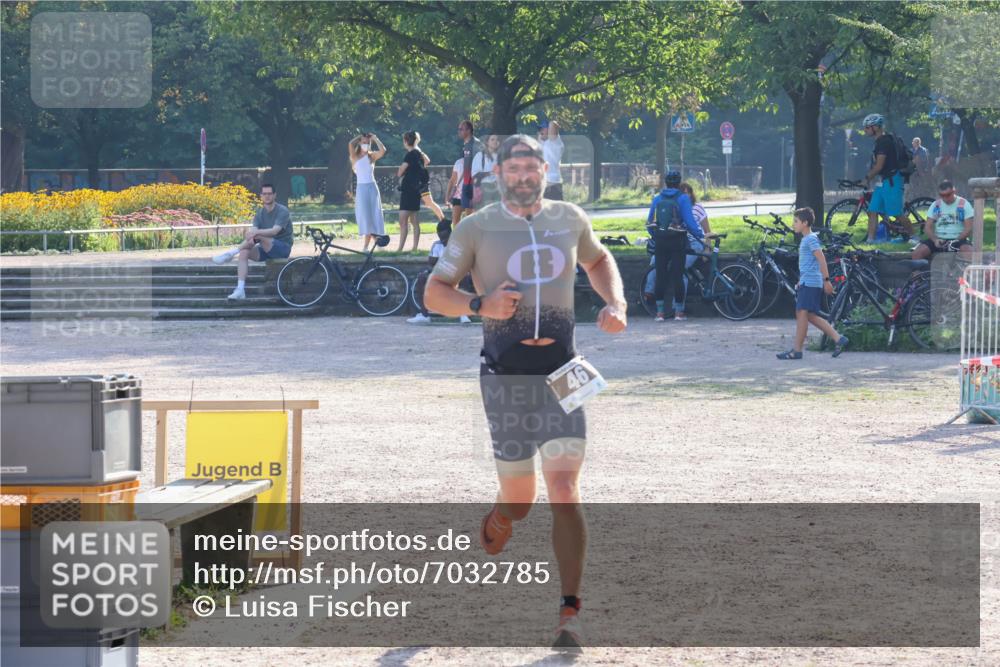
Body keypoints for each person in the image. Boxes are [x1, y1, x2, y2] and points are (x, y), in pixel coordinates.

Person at [423, 134, 627, 652]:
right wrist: (480, 306)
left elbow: (599, 261)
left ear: (544, 170)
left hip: (565, 370)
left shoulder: (570, 218)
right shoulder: (475, 226)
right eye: (513, 168)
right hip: (506, 373)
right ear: (497, 173)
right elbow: (434, 293)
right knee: (522, 499)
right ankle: (501, 513)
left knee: (564, 489)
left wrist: (616, 304)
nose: (522, 176)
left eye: (531, 167)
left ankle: (570, 610)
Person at [776, 207, 849, 360]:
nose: (793, 224)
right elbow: (809, 264)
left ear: (805, 222)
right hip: (807, 282)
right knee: (810, 315)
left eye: (796, 221)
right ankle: (838, 338)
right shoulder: (807, 239)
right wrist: (800, 281)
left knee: (801, 313)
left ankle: (796, 351)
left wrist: (827, 281)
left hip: (811, 283)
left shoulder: (810, 239)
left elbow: (821, 259)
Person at [212, 183, 293, 300]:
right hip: (265, 248)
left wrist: (255, 233)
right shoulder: (260, 213)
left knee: (258, 236)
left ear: (275, 195)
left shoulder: (282, 210)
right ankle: (240, 289)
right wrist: (250, 234)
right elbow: (254, 231)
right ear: (260, 196)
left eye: (270, 194)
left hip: (282, 248)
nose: (267, 196)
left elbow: (275, 231)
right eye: (264, 194)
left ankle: (230, 253)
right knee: (244, 251)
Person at [646, 170, 706, 321]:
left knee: (660, 274)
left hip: (660, 241)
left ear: (666, 183)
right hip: (677, 241)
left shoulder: (657, 198)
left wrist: (657, 235)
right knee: (678, 275)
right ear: (679, 184)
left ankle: (659, 313)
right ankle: (679, 313)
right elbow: (690, 222)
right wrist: (700, 235)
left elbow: (649, 223)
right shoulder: (683, 198)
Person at [861, 114, 913, 243]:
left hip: (892, 180)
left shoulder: (884, 142)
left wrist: (867, 178)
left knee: (896, 213)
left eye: (867, 127)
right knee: (873, 210)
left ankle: (913, 237)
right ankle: (870, 240)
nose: (865, 130)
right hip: (883, 181)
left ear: (877, 127)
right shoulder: (879, 141)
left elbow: (879, 166)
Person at [407, 221, 472, 324]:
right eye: (441, 238)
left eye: (445, 238)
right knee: (422, 278)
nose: (443, 241)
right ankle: (424, 315)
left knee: (464, 277)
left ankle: (463, 314)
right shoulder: (437, 245)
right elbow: (431, 263)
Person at [397, 131, 447, 252]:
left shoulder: (409, 155)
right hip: (417, 188)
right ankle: (414, 248)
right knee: (415, 220)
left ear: (405, 141)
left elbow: (400, 172)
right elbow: (427, 161)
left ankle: (400, 249)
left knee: (403, 220)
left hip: (409, 189)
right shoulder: (419, 153)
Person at [911, 180, 975, 261]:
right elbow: (927, 227)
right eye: (942, 195)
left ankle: (969, 273)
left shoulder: (964, 204)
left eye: (948, 195)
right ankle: (919, 273)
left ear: (954, 191)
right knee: (916, 254)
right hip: (939, 239)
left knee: (970, 253)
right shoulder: (936, 205)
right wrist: (935, 240)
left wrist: (956, 240)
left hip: (959, 239)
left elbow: (968, 228)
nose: (945, 198)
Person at [350, 132, 387, 251]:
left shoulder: (372, 156)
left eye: (368, 143)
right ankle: (367, 245)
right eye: (364, 142)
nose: (366, 144)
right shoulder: (354, 156)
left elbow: (383, 150)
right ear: (360, 143)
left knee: (375, 215)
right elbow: (350, 143)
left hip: (372, 187)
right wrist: (360, 137)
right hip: (361, 188)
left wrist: (375, 138)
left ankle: (378, 243)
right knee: (365, 217)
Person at [457, 119, 484, 217]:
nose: (459, 131)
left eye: (461, 129)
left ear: (468, 131)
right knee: (468, 209)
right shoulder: (466, 145)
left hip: (474, 182)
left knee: (476, 210)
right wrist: (459, 182)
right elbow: (466, 166)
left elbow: (481, 164)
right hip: (466, 182)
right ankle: (471, 231)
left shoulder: (476, 144)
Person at [538, 120, 564, 201]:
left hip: (553, 186)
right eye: (540, 129)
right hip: (542, 186)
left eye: (543, 128)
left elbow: (553, 125)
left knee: (556, 212)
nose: (540, 131)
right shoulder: (542, 143)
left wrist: (550, 124)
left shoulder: (555, 142)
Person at [472, 134, 501, 206]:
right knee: (486, 212)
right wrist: (491, 173)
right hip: (484, 186)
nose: (495, 141)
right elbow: (474, 174)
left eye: (497, 140)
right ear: (487, 142)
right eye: (492, 139)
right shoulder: (480, 155)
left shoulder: (499, 156)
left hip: (498, 187)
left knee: (497, 212)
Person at [445, 157, 465, 226]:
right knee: (455, 220)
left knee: (471, 221)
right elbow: (452, 180)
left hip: (472, 194)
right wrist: (447, 197)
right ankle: (457, 236)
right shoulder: (458, 162)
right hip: (458, 195)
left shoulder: (477, 160)